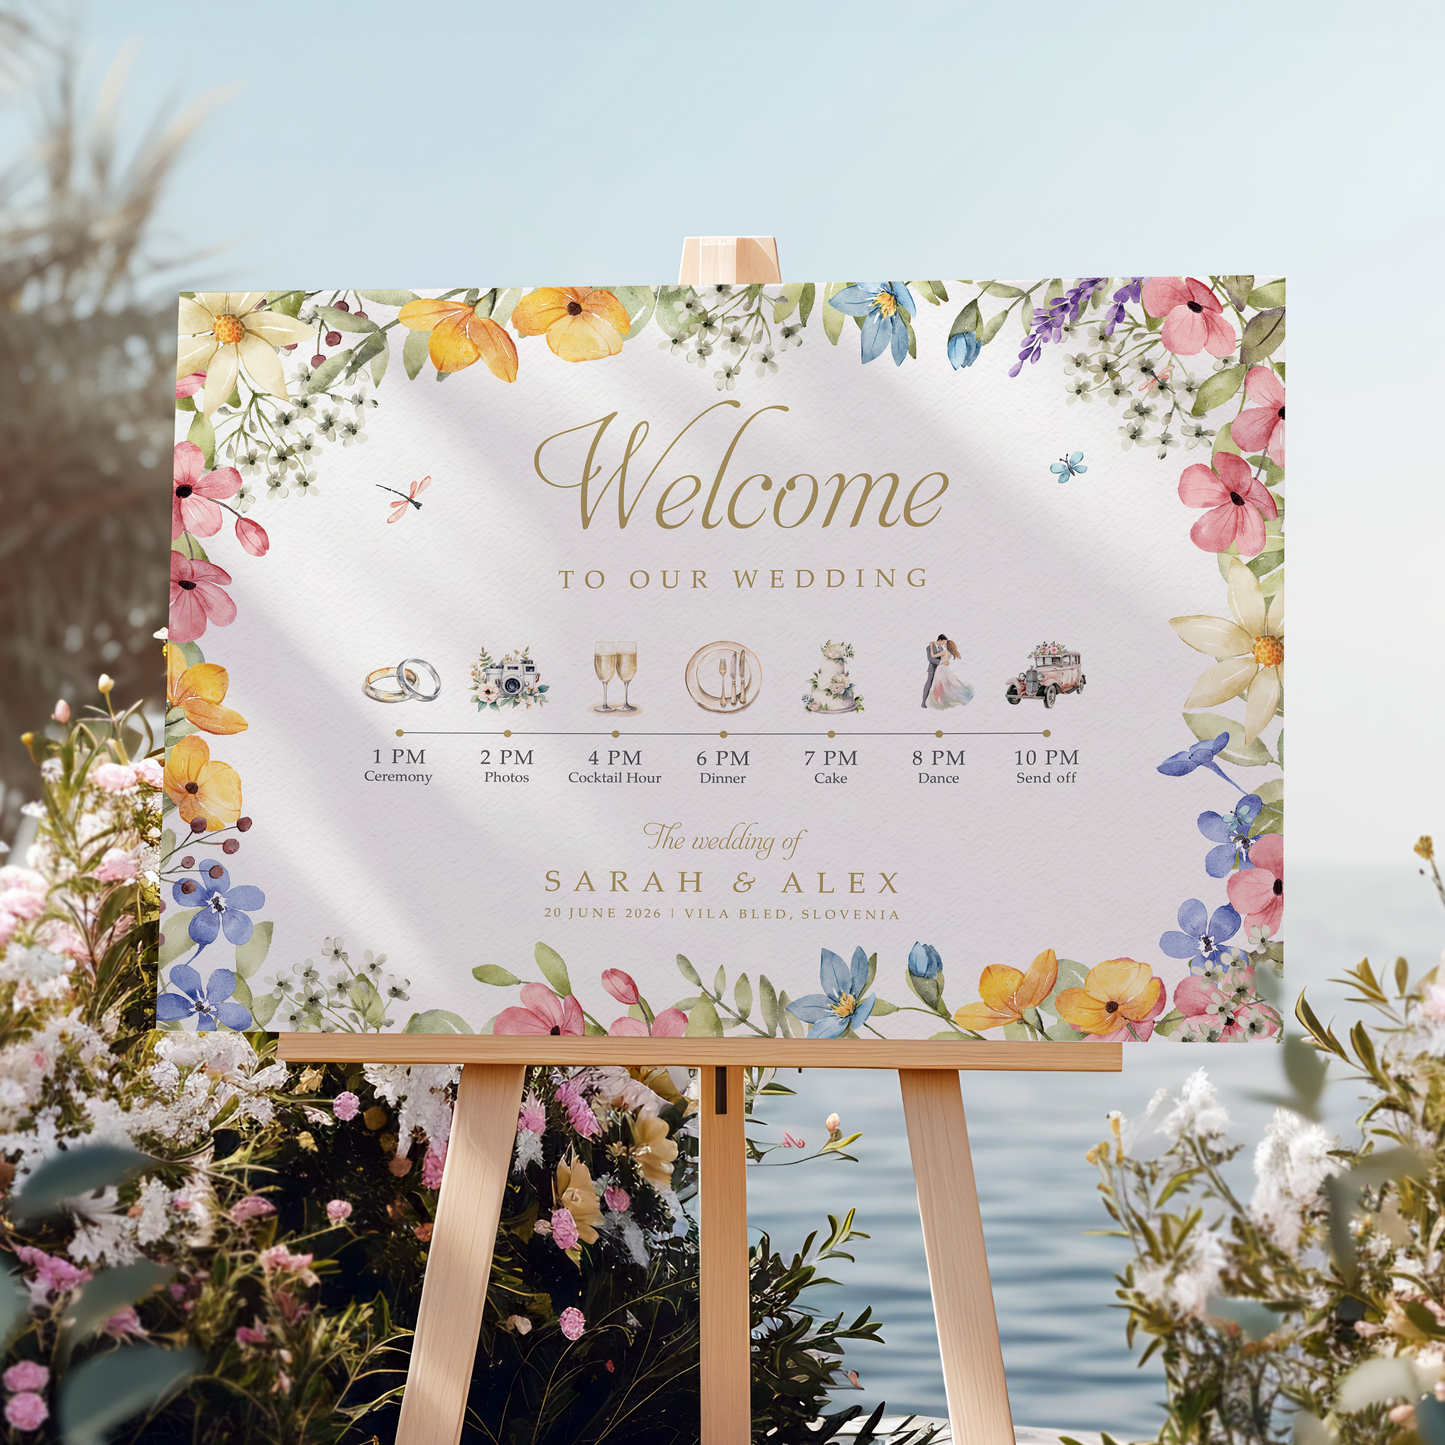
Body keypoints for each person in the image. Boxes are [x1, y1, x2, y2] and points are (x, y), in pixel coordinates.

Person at [925, 635, 974, 710]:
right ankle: (943, 700)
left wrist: (931, 646)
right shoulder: (949, 653)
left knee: (939, 684)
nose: (944, 644)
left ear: (947, 645)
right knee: (945, 684)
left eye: (945, 643)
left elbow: (932, 655)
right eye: (944, 642)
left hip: (941, 669)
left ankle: (940, 701)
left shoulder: (944, 651)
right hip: (945, 669)